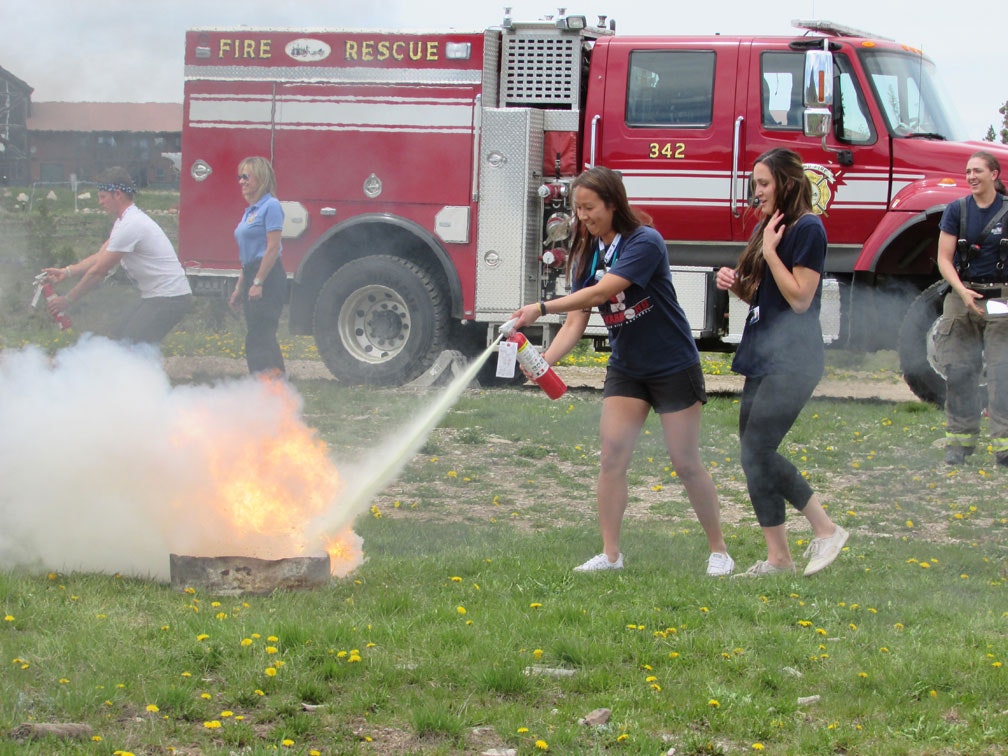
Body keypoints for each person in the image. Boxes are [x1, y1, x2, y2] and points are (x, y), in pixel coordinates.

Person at [508, 165, 734, 577]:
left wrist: (539, 308)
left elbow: (604, 291)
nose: (583, 217)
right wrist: (543, 362)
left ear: (614, 204)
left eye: (590, 208)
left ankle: (719, 551)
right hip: (628, 368)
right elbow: (578, 318)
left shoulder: (644, 242)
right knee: (612, 457)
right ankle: (611, 556)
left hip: (671, 364)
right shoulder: (586, 253)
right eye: (577, 209)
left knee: (685, 462)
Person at [715, 148, 848, 577]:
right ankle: (779, 558)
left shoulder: (808, 228)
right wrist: (736, 286)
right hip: (764, 354)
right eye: (755, 184)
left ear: (787, 184)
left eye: (764, 183)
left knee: (759, 449)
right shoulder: (773, 227)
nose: (757, 192)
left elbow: (800, 299)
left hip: (795, 359)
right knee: (751, 454)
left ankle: (826, 530)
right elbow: (767, 298)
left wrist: (771, 252)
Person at [42, 166, 192, 344]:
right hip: (159, 296)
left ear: (118, 194)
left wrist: (68, 299)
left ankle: (145, 371)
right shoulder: (124, 222)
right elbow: (100, 256)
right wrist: (66, 272)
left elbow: (98, 271)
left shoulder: (131, 224)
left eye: (103, 197)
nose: (100, 202)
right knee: (117, 339)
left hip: (169, 297)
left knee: (128, 347)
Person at [934, 151, 1008, 466]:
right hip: (962, 295)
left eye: (977, 170)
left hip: (1000, 297)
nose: (971, 177)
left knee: (1002, 373)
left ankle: (1004, 448)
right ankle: (959, 445)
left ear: (995, 173)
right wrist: (962, 291)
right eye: (967, 172)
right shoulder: (956, 210)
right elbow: (943, 258)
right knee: (959, 372)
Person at [228, 156, 286, 377]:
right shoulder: (250, 211)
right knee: (255, 334)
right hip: (252, 272)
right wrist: (239, 288)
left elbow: (272, 248)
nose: (241, 181)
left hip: (268, 276)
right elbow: (247, 256)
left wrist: (258, 282)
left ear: (260, 178)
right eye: (239, 177)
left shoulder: (271, 205)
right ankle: (262, 385)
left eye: (246, 176)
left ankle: (275, 387)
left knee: (262, 333)